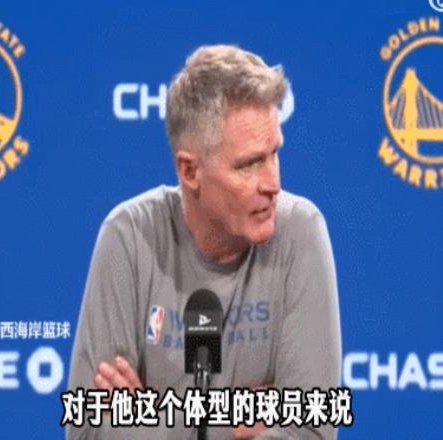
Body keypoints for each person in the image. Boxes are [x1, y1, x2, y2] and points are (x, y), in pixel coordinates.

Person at [67, 44, 342, 440]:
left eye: (274, 154)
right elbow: (88, 430)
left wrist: (149, 416)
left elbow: (311, 432)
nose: (273, 183)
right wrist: (233, 418)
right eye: (249, 164)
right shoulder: (129, 236)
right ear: (189, 170)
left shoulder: (300, 231)